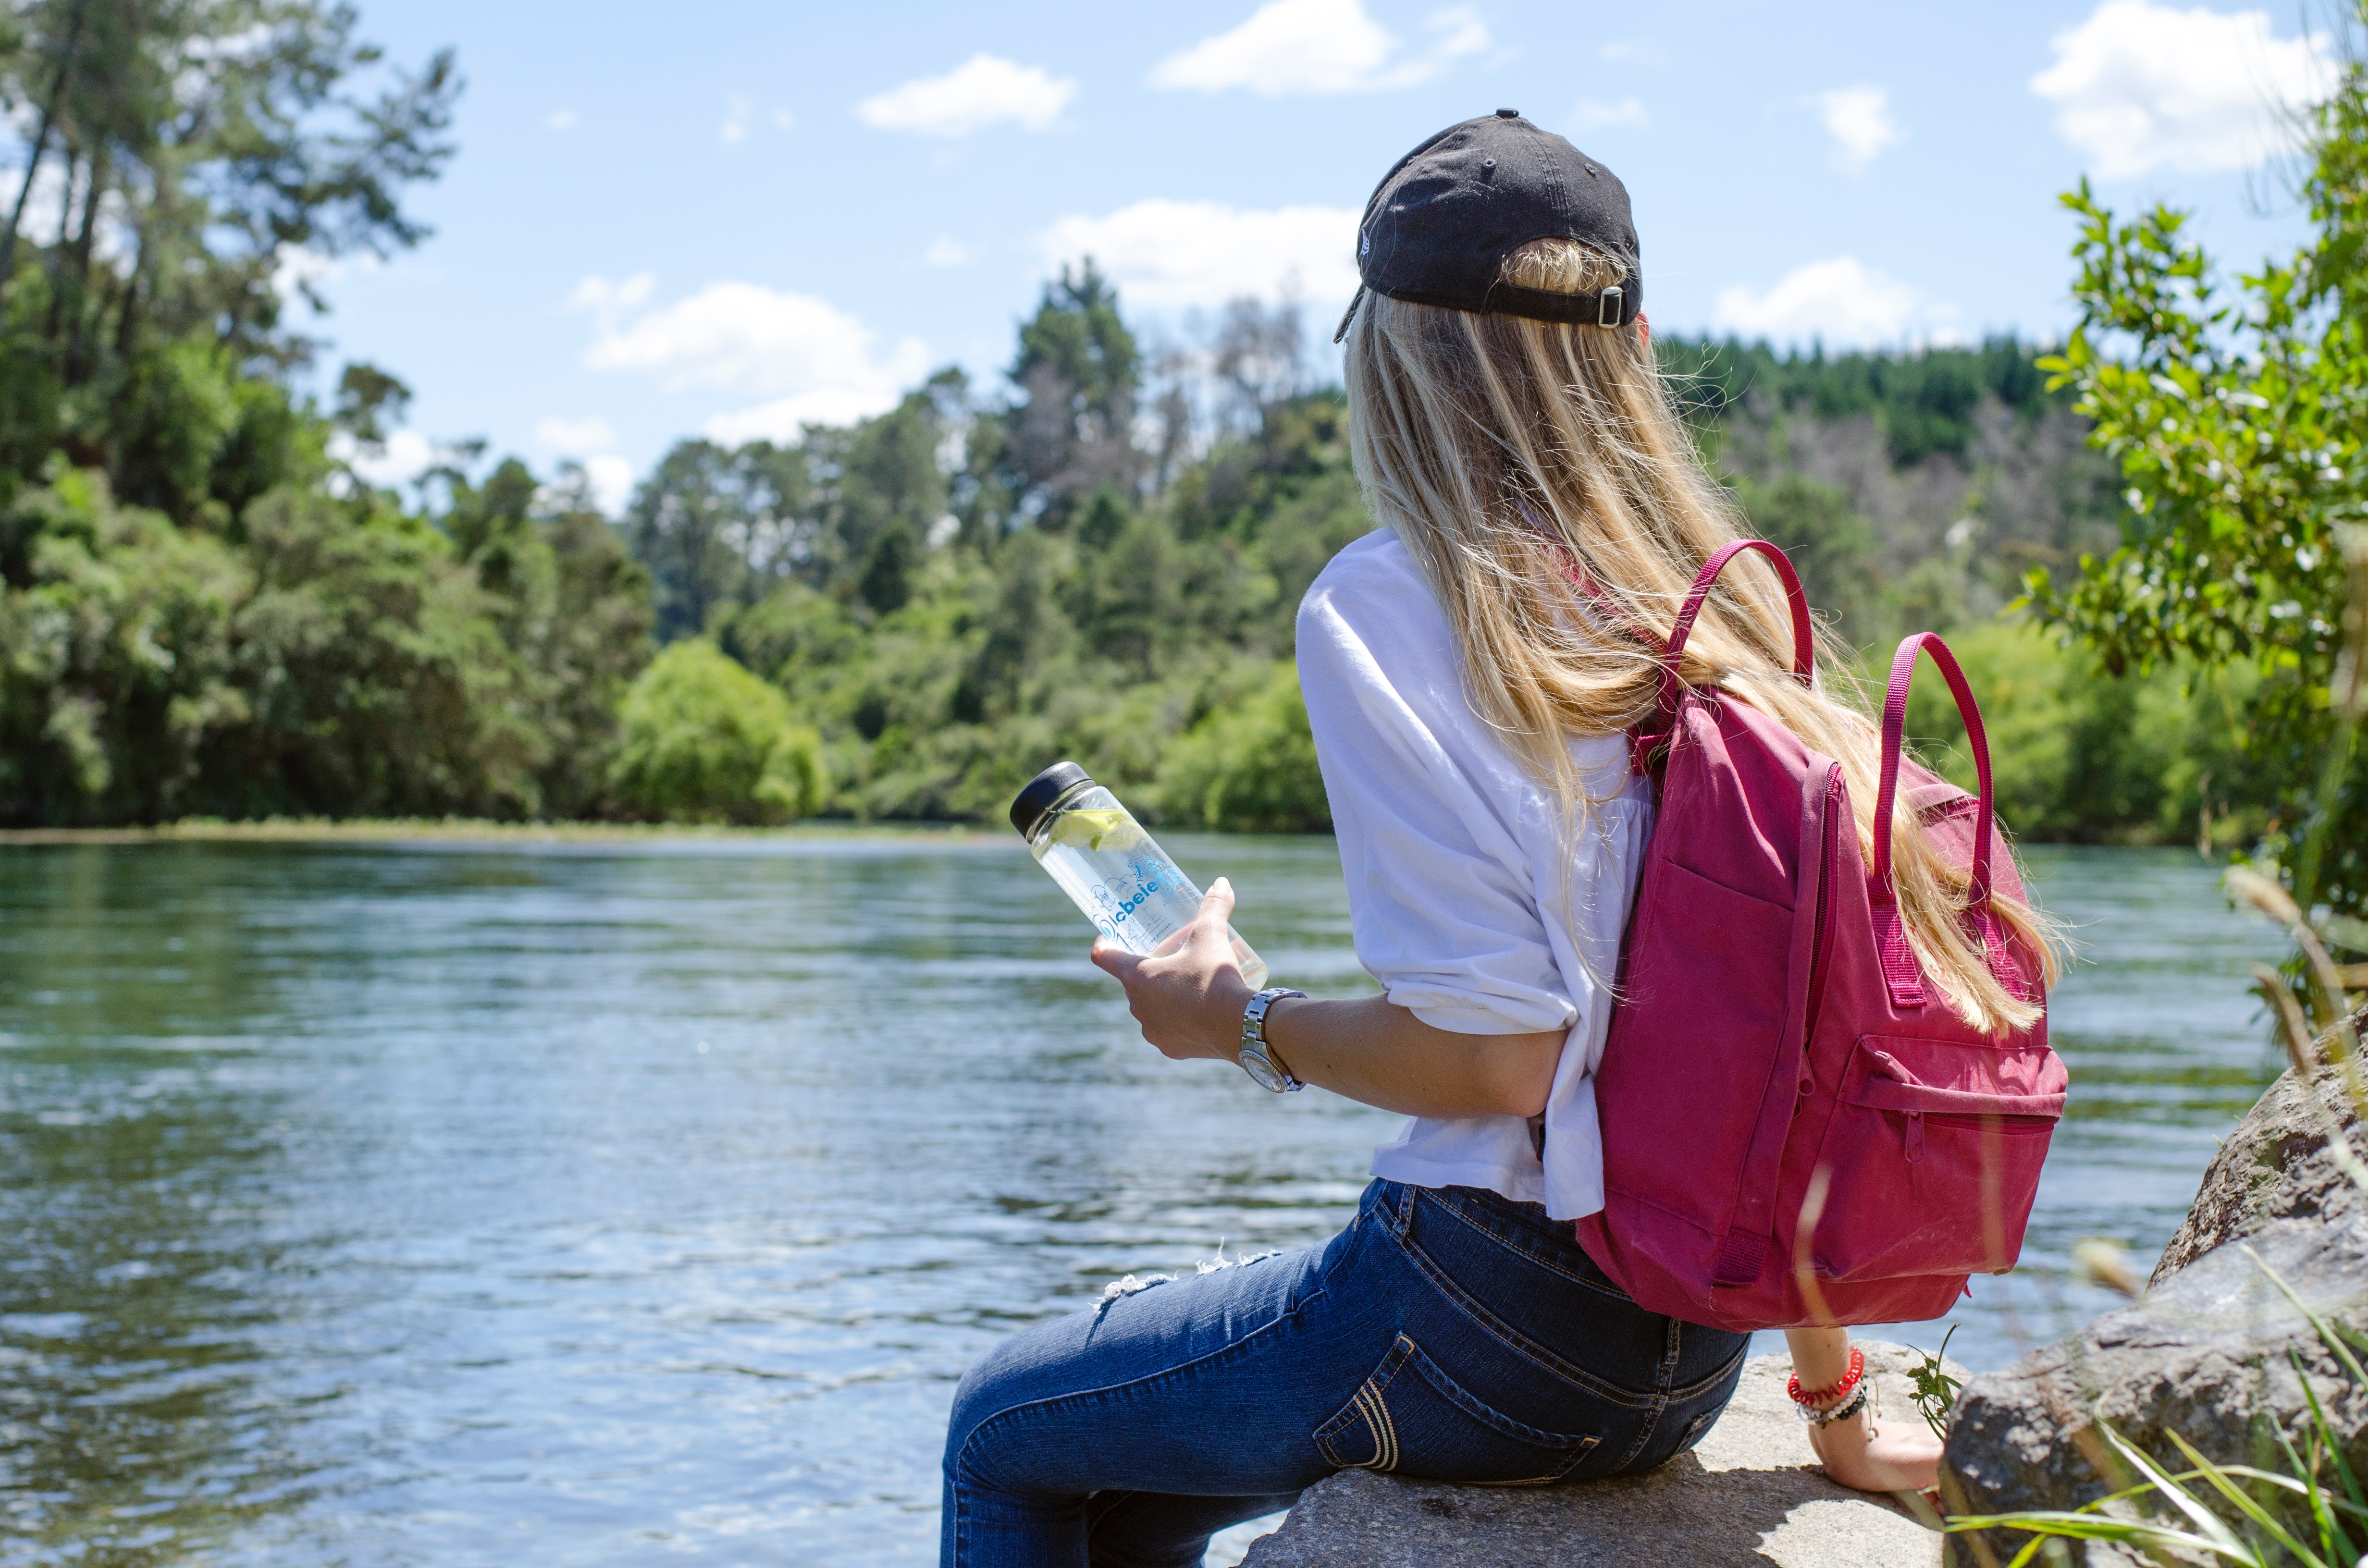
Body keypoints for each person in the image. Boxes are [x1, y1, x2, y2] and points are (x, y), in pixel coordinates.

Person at [942, 110, 2040, 1568]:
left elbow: (1500, 1057)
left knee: (1003, 1434)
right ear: (1631, 354)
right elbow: (1793, 1058)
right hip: (1680, 1360)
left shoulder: (1392, 604)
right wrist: (1835, 1403)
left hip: (1483, 1330)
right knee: (1128, 1481)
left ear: (1389, 355)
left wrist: (1241, 1021)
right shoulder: (1720, 617)